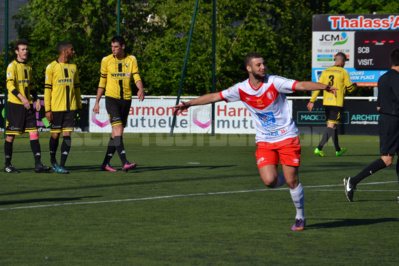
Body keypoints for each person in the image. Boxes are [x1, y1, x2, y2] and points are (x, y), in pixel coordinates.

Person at [173, 52, 337, 230]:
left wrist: (322, 86)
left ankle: (300, 216)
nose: (263, 67)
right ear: (248, 68)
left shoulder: (275, 82)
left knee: (291, 182)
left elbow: (301, 85)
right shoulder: (241, 89)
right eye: (258, 65)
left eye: (263, 63)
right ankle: (290, 179)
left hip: (287, 137)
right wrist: (189, 104)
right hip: (265, 141)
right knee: (269, 181)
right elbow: (215, 96)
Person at [344, 48, 399, 202]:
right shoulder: (395, 78)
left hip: (390, 120)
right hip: (392, 121)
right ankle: (353, 181)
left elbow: (378, 106)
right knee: (387, 160)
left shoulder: (383, 78)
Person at [93, 36, 145, 172]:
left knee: (115, 134)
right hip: (111, 99)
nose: (113, 49)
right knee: (119, 129)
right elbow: (102, 82)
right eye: (112, 47)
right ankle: (125, 162)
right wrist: (97, 102)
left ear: (123, 46)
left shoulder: (131, 59)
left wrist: (140, 88)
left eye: (116, 47)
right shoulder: (106, 60)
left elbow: (136, 76)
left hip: (126, 99)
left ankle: (105, 163)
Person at [4, 39, 51, 173]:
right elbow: (10, 85)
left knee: (34, 132)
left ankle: (38, 164)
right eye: (22, 49)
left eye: (26, 49)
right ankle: (7, 165)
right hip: (16, 106)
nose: (25, 52)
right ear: (16, 52)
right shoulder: (12, 66)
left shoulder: (28, 68)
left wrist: (36, 100)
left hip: (28, 106)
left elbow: (31, 86)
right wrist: (23, 98)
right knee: (11, 135)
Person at [307, 52, 356, 157]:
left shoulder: (325, 71)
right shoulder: (343, 72)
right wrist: (355, 85)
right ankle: (319, 148)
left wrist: (312, 100)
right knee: (331, 126)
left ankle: (338, 150)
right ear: (342, 61)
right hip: (336, 103)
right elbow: (350, 89)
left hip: (326, 103)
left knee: (333, 127)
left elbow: (319, 87)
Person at [44, 41, 82, 174]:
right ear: (64, 52)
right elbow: (47, 90)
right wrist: (47, 110)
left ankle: (62, 164)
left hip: (71, 108)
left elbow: (77, 88)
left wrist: (79, 105)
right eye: (72, 50)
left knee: (67, 135)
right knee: (55, 135)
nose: (74, 52)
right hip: (56, 108)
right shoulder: (51, 67)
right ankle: (53, 159)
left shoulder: (74, 67)